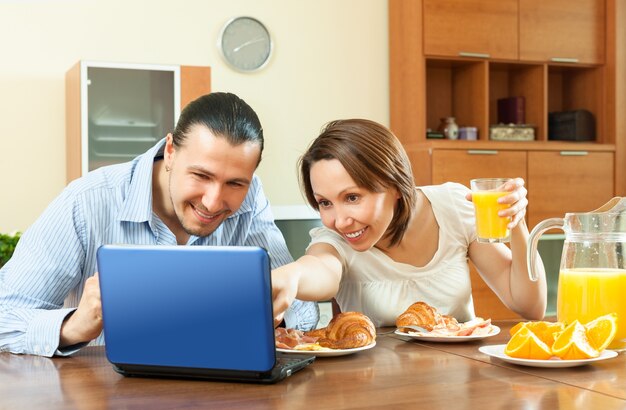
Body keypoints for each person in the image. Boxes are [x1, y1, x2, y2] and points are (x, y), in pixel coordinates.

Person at [0, 92, 318, 357]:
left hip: (217, 397)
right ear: (170, 152)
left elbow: (303, 315)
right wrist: (76, 325)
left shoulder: (250, 199)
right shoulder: (86, 201)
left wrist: (275, 297)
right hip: (105, 401)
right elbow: (5, 317)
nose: (212, 201)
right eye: (201, 176)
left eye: (235, 183)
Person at [272, 118, 547, 327]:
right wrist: (292, 275)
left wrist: (518, 225)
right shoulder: (335, 240)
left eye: (353, 197)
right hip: (375, 391)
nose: (340, 221)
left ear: (394, 184)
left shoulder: (452, 206)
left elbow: (529, 306)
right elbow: (320, 269)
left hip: (461, 388)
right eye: (325, 203)